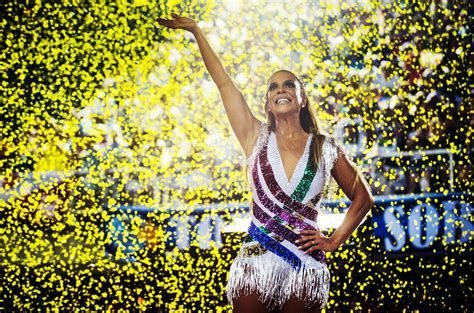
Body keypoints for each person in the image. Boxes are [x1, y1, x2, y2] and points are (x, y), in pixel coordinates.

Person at [156, 13, 375, 313]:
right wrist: (197, 31)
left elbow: (363, 198)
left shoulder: (325, 148)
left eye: (288, 85)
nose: (280, 89)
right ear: (268, 101)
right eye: (273, 87)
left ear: (302, 98)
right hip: (255, 260)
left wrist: (334, 240)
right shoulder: (254, 136)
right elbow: (223, 82)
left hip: (305, 263)